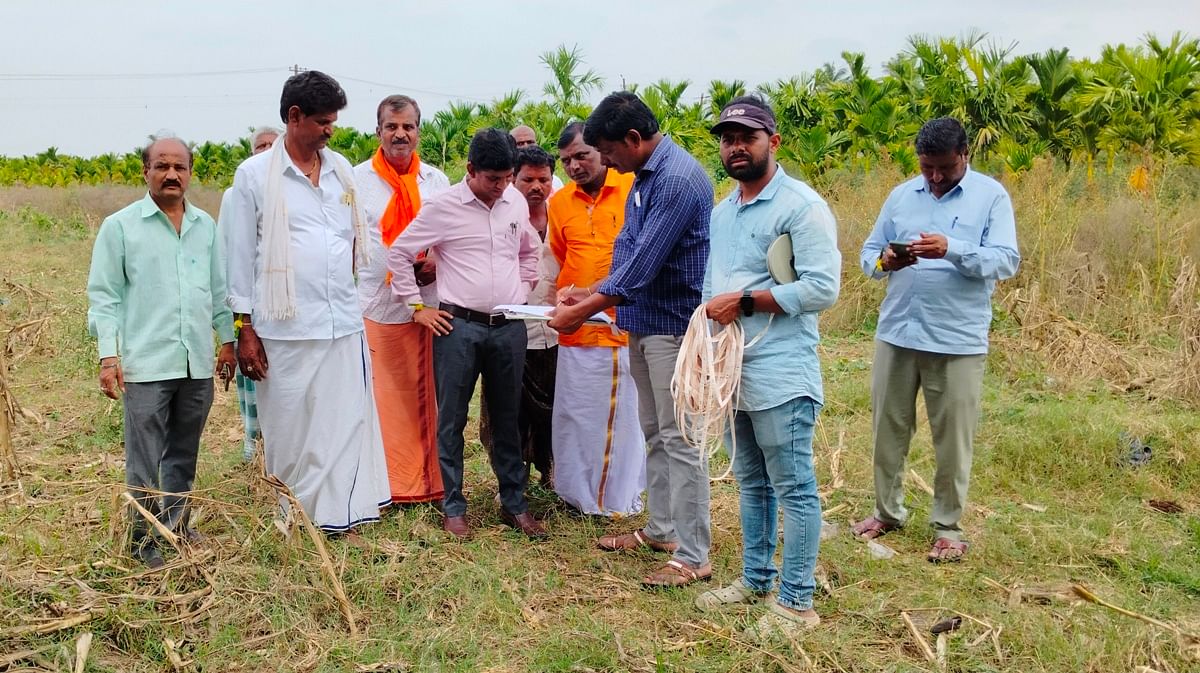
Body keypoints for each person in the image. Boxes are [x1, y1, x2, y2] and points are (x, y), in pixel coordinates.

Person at [549, 92, 714, 587]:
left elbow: (644, 265)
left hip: (673, 325)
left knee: (682, 438)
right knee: (655, 433)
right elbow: (627, 248)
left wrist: (583, 310)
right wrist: (589, 290)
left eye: (608, 152)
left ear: (633, 140)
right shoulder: (644, 177)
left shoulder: (679, 181)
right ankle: (663, 529)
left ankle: (693, 554)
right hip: (642, 322)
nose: (606, 162)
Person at [690, 97, 840, 637]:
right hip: (735, 369)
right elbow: (714, 289)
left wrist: (746, 302)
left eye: (746, 137)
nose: (735, 147)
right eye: (728, 138)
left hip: (780, 370)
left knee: (794, 485)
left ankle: (797, 603)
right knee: (752, 483)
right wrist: (709, 348)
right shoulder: (722, 211)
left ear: (772, 142)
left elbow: (823, 287)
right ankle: (755, 580)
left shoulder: (800, 206)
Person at [225, 71, 390, 533]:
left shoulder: (340, 170)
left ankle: (339, 516)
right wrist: (244, 329)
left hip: (342, 321)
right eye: (321, 121)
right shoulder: (254, 176)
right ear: (294, 117)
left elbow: (352, 242)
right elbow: (239, 257)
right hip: (283, 328)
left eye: (333, 122)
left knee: (343, 425)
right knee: (289, 430)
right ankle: (292, 518)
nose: (329, 130)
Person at [851, 117, 1020, 562]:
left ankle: (947, 526)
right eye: (928, 168)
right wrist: (886, 260)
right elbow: (868, 255)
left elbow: (1006, 261)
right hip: (898, 332)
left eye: (945, 167)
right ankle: (886, 511)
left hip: (957, 339)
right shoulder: (902, 195)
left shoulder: (991, 197)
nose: (936, 177)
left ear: (965, 154)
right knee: (887, 429)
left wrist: (954, 250)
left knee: (952, 439)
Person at [388, 128, 546, 540]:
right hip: (457, 328)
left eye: (507, 177)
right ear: (470, 169)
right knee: (452, 419)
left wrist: (524, 288)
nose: (501, 187)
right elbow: (400, 254)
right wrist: (417, 308)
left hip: (508, 328)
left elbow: (529, 250)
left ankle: (515, 504)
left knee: (508, 418)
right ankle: (454, 506)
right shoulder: (443, 207)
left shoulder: (513, 201)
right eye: (492, 178)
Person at [87, 135, 237, 568]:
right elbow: (105, 297)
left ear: (190, 173)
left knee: (183, 452)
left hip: (195, 364)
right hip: (146, 365)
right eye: (161, 166)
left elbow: (218, 290)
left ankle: (176, 527)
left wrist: (227, 342)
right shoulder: (121, 226)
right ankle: (142, 543)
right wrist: (108, 357)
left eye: (180, 167)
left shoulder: (204, 225)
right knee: (145, 459)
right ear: (145, 171)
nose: (171, 174)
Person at [354, 95, 450, 504]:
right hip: (375, 304)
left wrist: (435, 263)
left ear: (418, 132)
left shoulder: (436, 181)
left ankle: (426, 484)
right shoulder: (355, 180)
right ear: (378, 132)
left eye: (408, 126)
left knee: (424, 395)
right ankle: (385, 484)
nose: (400, 134)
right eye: (391, 126)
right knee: (380, 399)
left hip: (426, 305)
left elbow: (450, 236)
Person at [546, 122, 645, 517]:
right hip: (575, 331)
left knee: (619, 420)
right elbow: (561, 255)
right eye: (566, 160)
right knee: (575, 415)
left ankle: (615, 501)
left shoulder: (632, 189)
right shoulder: (560, 202)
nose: (573, 166)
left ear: (602, 152)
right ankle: (575, 495)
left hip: (620, 328)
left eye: (581, 156)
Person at [479, 146, 560, 487]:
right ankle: (511, 481)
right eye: (527, 179)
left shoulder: (564, 214)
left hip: (557, 330)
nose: (536, 186)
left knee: (555, 409)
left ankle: (553, 473)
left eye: (544, 179)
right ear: (514, 179)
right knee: (506, 411)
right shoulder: (497, 214)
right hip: (510, 328)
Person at [218, 125, 279, 462]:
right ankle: (251, 441)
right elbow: (228, 251)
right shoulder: (234, 194)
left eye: (273, 145)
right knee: (249, 374)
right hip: (247, 304)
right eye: (260, 146)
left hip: (280, 306)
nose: (266, 151)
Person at [509, 125, 564, 193]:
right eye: (520, 143)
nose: (526, 146)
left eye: (530, 142)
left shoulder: (555, 182)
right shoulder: (503, 183)